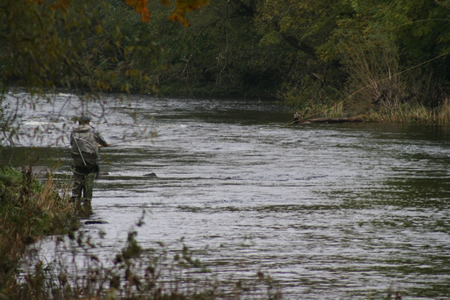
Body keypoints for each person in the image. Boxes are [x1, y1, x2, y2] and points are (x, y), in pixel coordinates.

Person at [70, 115, 109, 208]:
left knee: (77, 179)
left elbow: (72, 143)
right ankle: (87, 202)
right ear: (88, 122)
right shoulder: (93, 131)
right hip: (90, 160)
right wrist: (105, 144)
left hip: (77, 159)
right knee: (88, 180)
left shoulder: (73, 132)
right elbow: (102, 141)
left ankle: (75, 201)